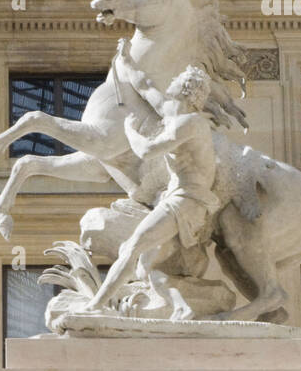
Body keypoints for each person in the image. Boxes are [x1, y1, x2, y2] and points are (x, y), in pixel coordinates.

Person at [83, 64, 220, 313]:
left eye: (177, 77)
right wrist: (125, 61)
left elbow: (147, 151)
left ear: (186, 89)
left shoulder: (189, 123)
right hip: (181, 199)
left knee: (131, 247)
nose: (172, 78)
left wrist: (129, 130)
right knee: (146, 268)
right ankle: (181, 307)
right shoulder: (176, 117)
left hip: (185, 200)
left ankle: (94, 306)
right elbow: (147, 88)